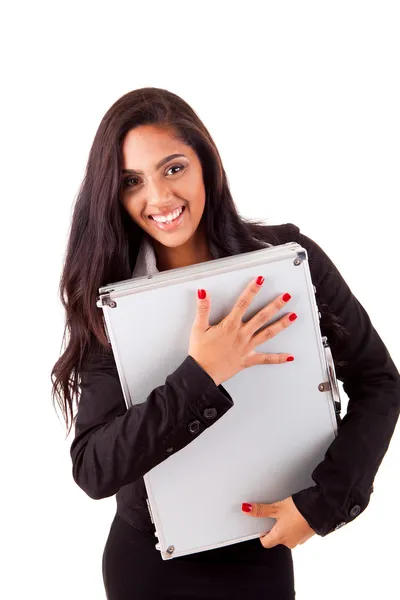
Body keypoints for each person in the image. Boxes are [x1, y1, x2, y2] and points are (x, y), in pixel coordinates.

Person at [51, 87, 400, 600]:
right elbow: (94, 468)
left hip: (259, 551)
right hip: (148, 568)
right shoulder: (115, 303)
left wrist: (323, 503)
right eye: (133, 182)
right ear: (115, 195)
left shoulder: (287, 259)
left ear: (205, 165)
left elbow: (378, 382)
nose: (160, 198)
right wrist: (202, 373)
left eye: (173, 168)